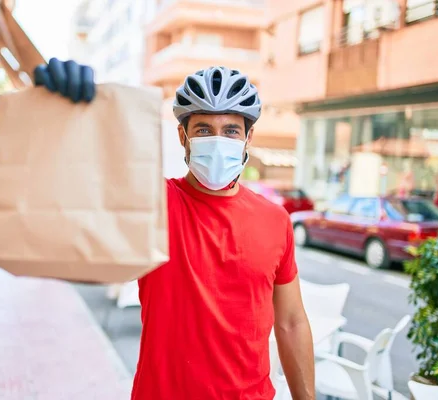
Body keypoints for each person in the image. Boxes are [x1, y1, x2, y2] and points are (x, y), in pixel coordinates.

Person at [34, 59, 315, 400]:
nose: (217, 140)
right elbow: (82, 177)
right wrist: (61, 111)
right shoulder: (152, 202)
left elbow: (292, 321)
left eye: (230, 130)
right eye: (203, 129)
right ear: (183, 137)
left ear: (247, 138)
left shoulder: (275, 220)